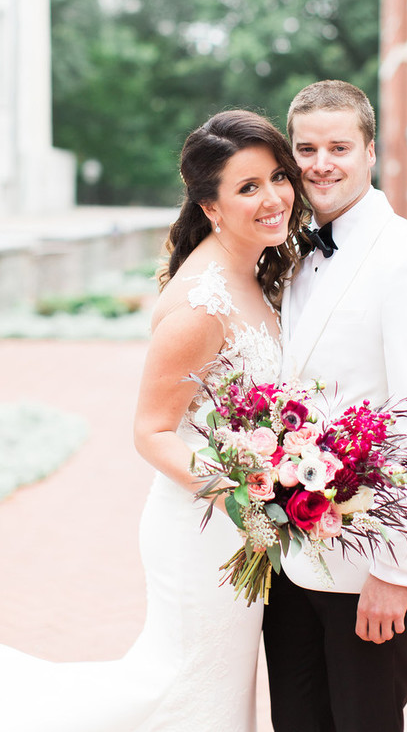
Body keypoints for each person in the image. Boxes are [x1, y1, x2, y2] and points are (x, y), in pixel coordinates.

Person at [0, 109, 308, 732]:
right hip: (203, 526)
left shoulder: (256, 271)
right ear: (212, 207)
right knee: (183, 689)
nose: (273, 197)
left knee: (220, 692)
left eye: (278, 176)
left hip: (239, 524)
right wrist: (242, 496)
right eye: (247, 188)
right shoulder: (201, 302)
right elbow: (150, 432)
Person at [263, 80, 407, 732]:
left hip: (368, 567)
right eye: (306, 148)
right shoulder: (294, 254)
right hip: (291, 557)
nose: (321, 162)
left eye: (338, 146)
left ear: (371, 150)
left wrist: (397, 569)